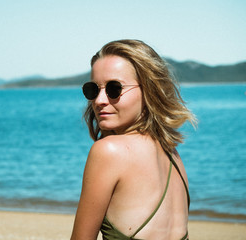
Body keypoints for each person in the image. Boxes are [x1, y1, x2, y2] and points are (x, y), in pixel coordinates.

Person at [71, 39, 196, 240]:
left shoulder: (108, 151)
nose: (100, 100)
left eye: (114, 89)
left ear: (149, 90)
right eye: (93, 89)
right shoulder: (173, 156)